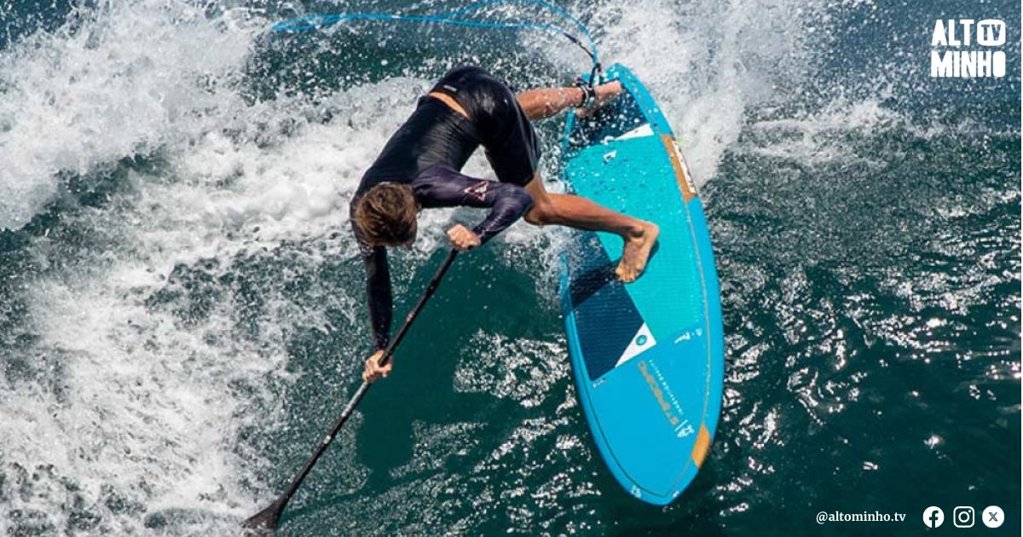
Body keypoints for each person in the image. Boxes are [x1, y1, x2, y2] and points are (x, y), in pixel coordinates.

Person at [351, 66, 659, 382]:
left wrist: (479, 234)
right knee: (513, 108)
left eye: (406, 236)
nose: (407, 246)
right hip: (459, 85)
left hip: (488, 106)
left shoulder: (432, 186)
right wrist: (381, 347)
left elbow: (514, 198)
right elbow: (377, 279)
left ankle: (637, 231)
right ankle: (591, 95)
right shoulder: (366, 208)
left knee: (540, 209)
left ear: (414, 204)